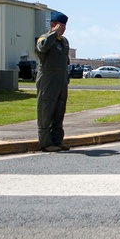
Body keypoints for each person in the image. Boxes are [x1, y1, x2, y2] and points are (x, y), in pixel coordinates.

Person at [35, 11, 71, 152]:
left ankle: (57, 140)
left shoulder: (64, 41)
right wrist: (53, 33)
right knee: (46, 111)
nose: (63, 29)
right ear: (53, 25)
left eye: (64, 26)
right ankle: (45, 142)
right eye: (60, 26)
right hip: (48, 81)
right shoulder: (44, 39)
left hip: (61, 81)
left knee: (59, 111)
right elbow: (43, 47)